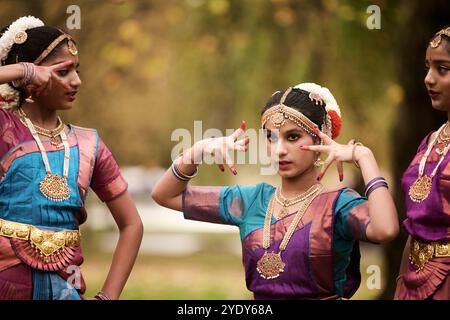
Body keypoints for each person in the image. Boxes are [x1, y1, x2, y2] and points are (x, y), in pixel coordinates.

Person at [152, 82, 399, 299]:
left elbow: (385, 230)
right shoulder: (250, 201)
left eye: (292, 137)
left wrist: (364, 157)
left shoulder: (338, 206)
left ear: (320, 140)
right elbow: (165, 195)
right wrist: (199, 150)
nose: (279, 150)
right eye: (271, 137)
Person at [0, 16, 143, 300]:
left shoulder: (89, 144)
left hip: (67, 290)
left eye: (76, 70)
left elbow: (132, 225)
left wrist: (108, 296)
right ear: (29, 79)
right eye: (63, 72)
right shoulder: (5, 127)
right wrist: (20, 70)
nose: (76, 81)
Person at [395, 26, 450, 300]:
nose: (429, 78)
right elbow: (415, 226)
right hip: (413, 277)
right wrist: (400, 284)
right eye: (428, 67)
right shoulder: (430, 141)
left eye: (443, 69)